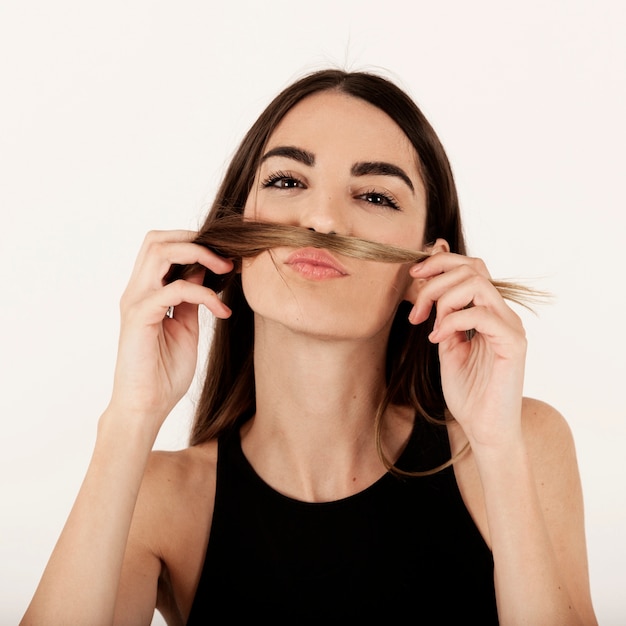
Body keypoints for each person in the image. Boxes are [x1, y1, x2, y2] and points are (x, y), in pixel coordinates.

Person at [21, 69, 597, 625]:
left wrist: (499, 449)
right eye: (287, 182)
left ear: (428, 268)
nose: (321, 219)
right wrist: (129, 418)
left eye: (374, 195)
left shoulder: (518, 445)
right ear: (237, 232)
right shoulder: (163, 500)